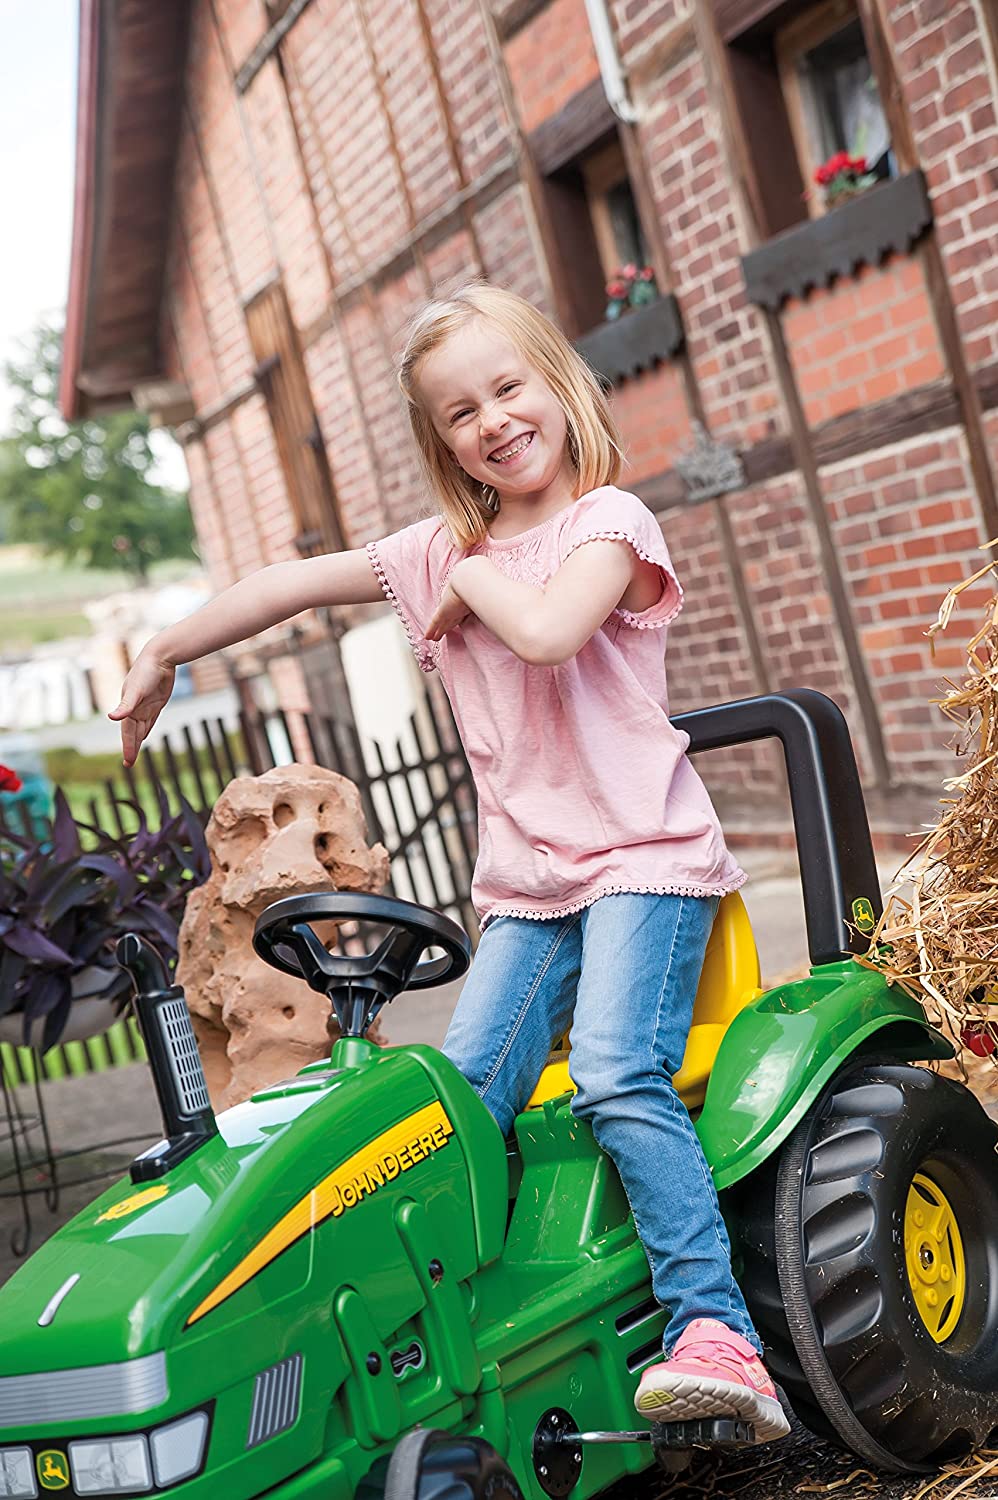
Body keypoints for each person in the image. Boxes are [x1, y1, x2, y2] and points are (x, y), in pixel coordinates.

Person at [111, 282, 789, 1443]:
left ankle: (712, 1330)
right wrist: (168, 644)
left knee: (622, 1072)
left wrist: (463, 575)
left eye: (508, 387)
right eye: (459, 411)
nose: (492, 420)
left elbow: (542, 630)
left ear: (557, 384)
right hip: (528, 886)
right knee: (449, 1101)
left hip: (643, 862)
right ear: (443, 440)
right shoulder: (434, 551)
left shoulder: (608, 523)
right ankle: (460, 1324)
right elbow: (289, 585)